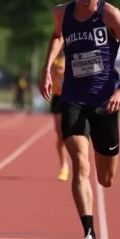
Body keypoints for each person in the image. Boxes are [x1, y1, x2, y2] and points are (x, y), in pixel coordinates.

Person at [38, 0, 120, 239]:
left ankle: (92, 225)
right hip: (72, 98)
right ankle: (89, 235)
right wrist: (46, 69)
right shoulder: (62, 13)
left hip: (105, 103)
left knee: (105, 178)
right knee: (80, 165)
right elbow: (57, 36)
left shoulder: (110, 16)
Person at [49, 48, 69, 181]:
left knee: (73, 134)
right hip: (58, 97)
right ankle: (64, 166)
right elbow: (50, 76)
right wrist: (56, 74)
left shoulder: (76, 56)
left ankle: (79, 161)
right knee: (60, 135)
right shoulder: (55, 60)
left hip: (72, 97)